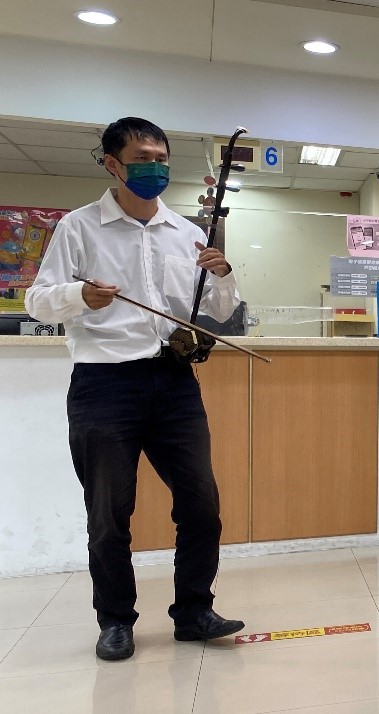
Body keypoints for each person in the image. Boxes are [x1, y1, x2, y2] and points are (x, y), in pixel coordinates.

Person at [26, 117, 245, 661]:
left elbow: (221, 312)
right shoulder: (79, 227)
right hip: (104, 384)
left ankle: (194, 612)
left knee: (201, 504)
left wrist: (223, 276)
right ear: (112, 164)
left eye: (161, 158)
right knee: (109, 514)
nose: (154, 167)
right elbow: (38, 301)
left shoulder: (187, 232)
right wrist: (78, 296)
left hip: (174, 381)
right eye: (142, 158)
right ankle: (116, 621)